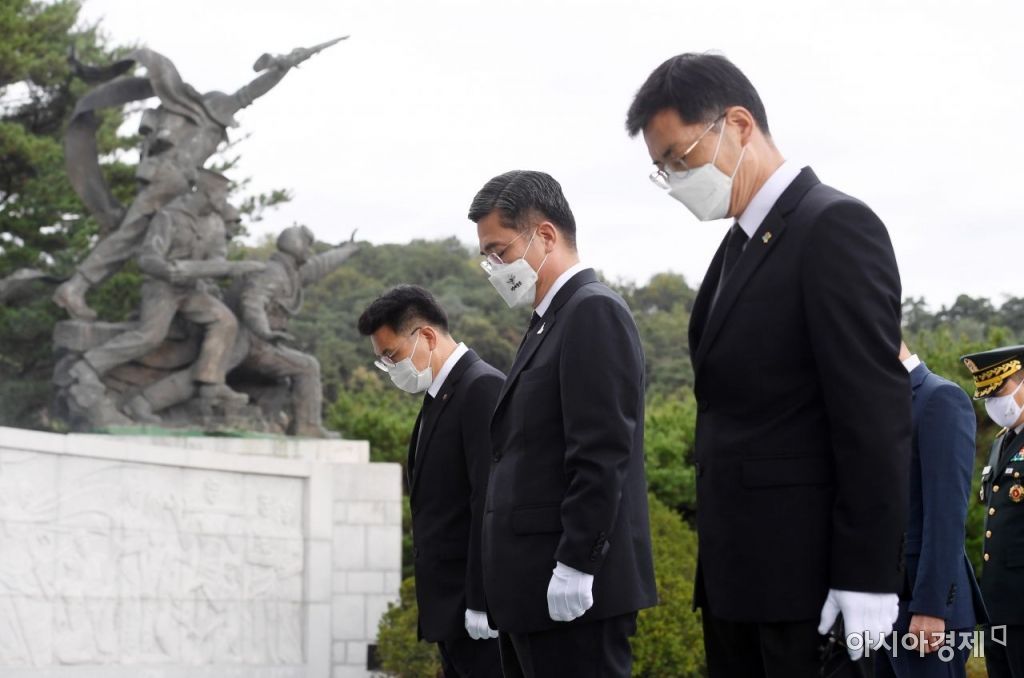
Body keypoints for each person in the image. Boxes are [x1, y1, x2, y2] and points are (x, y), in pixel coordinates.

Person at [625, 53, 911, 674]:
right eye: (662, 169)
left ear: (738, 124)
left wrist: (868, 574)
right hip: (738, 581)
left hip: (807, 585)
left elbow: (872, 413)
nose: (676, 179)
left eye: (680, 157)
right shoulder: (736, 247)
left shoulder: (833, 226)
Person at [467, 170, 656, 677]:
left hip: (573, 591)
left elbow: (601, 450)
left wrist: (577, 560)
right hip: (530, 592)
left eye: (499, 251)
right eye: (487, 257)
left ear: (545, 235)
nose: (493, 268)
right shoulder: (546, 323)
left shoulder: (592, 312)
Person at [357, 285, 504, 678]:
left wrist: (482, 600)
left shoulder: (480, 387)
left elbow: (489, 500)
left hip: (476, 610)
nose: (390, 368)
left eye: (392, 356)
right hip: (449, 611)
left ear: (425, 336)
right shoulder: (436, 398)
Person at [70, 170, 260, 414]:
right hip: (161, 287)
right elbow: (147, 258)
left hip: (191, 289)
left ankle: (210, 382)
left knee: (225, 320)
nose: (224, 201)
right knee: (150, 336)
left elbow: (217, 260)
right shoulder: (169, 216)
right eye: (222, 195)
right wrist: (167, 271)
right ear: (207, 192)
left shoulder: (215, 224)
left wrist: (224, 269)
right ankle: (89, 365)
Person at [875, 343, 985, 678]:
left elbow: (945, 516)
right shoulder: (877, 405)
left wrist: (932, 608)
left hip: (923, 612)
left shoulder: (938, 398)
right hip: (880, 607)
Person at [960, 345, 1024, 678]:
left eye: (999, 392)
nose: (994, 403)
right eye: (987, 396)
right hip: (999, 604)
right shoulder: (1002, 441)